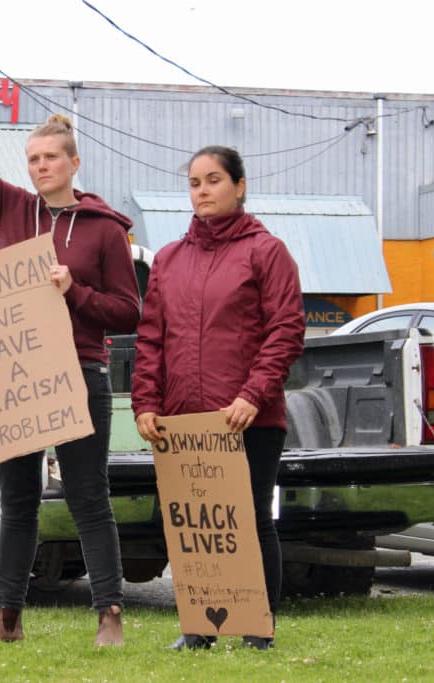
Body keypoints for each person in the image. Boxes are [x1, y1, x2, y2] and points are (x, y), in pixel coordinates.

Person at [0, 54, 141, 648]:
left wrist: (78, 292)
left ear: (74, 163)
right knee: (15, 500)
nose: (41, 167)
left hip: (80, 372)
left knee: (86, 496)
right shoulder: (14, 209)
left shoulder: (104, 230)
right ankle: (6, 618)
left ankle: (109, 616)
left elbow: (128, 312)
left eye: (50, 158)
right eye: (33, 160)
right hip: (17, 375)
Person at [131, 146, 306, 651]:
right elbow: (152, 339)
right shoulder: (168, 258)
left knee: (249, 521)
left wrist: (254, 394)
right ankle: (199, 629)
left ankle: (258, 631)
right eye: (194, 183)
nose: (202, 191)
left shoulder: (266, 251)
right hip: (185, 421)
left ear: (240, 185)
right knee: (194, 526)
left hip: (249, 418)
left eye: (213, 180)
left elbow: (287, 330)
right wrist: (146, 402)